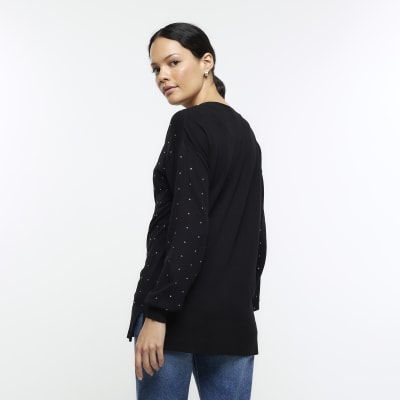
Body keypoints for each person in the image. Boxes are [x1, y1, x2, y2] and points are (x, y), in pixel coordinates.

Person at [127, 22, 267, 400]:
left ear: (207, 62)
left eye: (173, 62)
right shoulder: (245, 133)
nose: (163, 76)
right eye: (156, 68)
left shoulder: (188, 123)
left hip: (176, 315)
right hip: (233, 319)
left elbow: (188, 224)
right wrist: (244, 302)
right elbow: (257, 235)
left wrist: (157, 312)